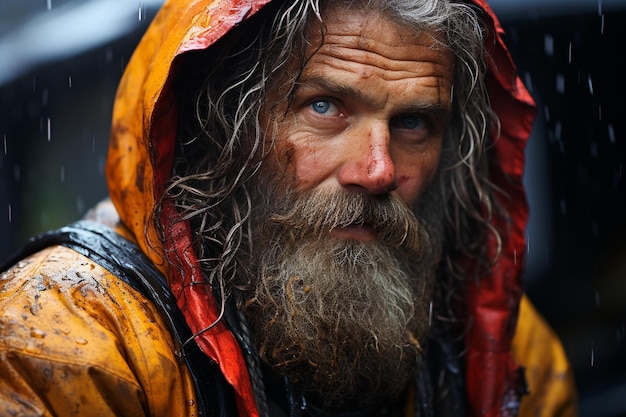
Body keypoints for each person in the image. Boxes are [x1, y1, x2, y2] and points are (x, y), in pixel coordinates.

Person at [0, 0, 578, 416]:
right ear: (223, 125)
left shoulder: (496, 345)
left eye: (412, 122)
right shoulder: (71, 336)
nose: (377, 170)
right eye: (324, 106)